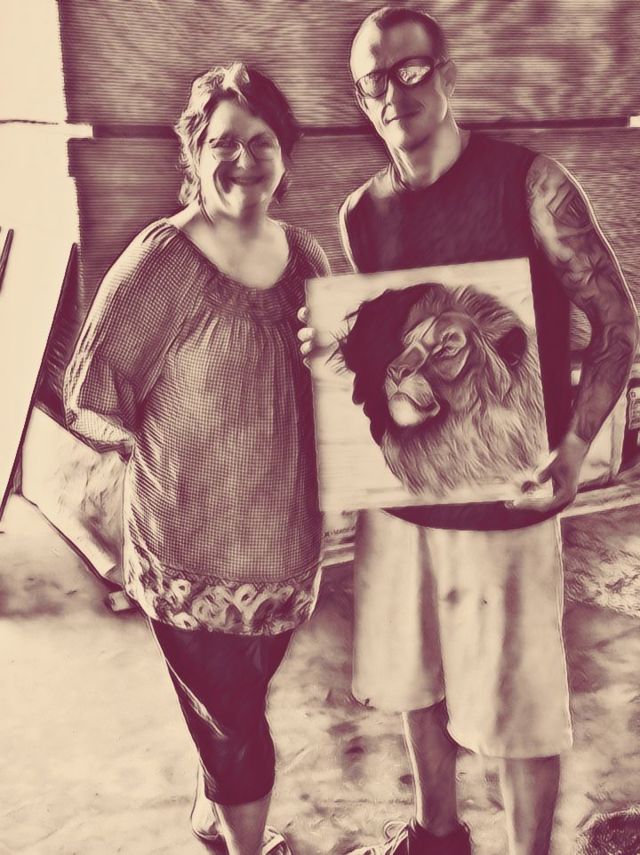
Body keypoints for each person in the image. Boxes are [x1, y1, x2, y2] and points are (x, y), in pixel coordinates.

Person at [300, 7, 638, 855]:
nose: (394, 92)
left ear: (446, 74)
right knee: (414, 671)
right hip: (406, 491)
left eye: (411, 70)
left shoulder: (531, 184)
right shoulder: (360, 214)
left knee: (521, 698)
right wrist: (330, 351)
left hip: (510, 487)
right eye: (374, 81)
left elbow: (617, 321)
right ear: (360, 99)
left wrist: (574, 450)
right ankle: (436, 832)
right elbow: (381, 346)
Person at [64, 62, 330, 855]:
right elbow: (93, 390)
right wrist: (174, 452)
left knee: (232, 707)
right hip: (189, 552)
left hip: (285, 552)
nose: (243, 158)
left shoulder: (307, 257)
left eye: (261, 141)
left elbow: (341, 385)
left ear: (284, 152)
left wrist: (331, 362)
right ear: (194, 151)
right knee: (237, 725)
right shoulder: (163, 261)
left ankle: (213, 813)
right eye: (223, 142)